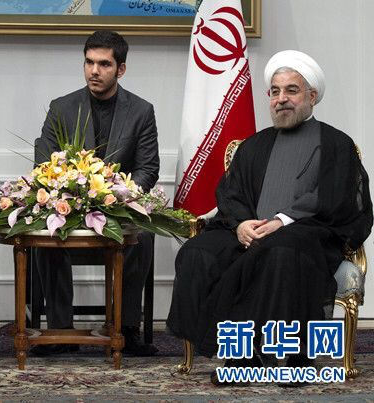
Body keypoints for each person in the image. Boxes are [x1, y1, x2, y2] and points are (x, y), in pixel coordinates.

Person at [167, 50, 372, 385]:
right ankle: (241, 355)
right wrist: (241, 225)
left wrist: (282, 220)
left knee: (281, 250)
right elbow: (231, 194)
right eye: (275, 91)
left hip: (308, 233)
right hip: (252, 230)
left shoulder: (336, 143)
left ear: (312, 96)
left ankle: (294, 358)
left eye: (291, 90)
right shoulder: (254, 145)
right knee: (198, 252)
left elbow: (334, 196)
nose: (281, 99)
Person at [32, 30, 160, 356]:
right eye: (89, 62)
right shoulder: (62, 107)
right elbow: (44, 163)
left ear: (121, 69)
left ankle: (125, 328)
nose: (94, 71)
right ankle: (60, 331)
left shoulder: (141, 111)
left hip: (118, 206)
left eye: (104, 64)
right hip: (69, 205)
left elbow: (147, 169)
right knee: (46, 231)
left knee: (143, 234)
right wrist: (71, 193)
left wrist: (119, 195)